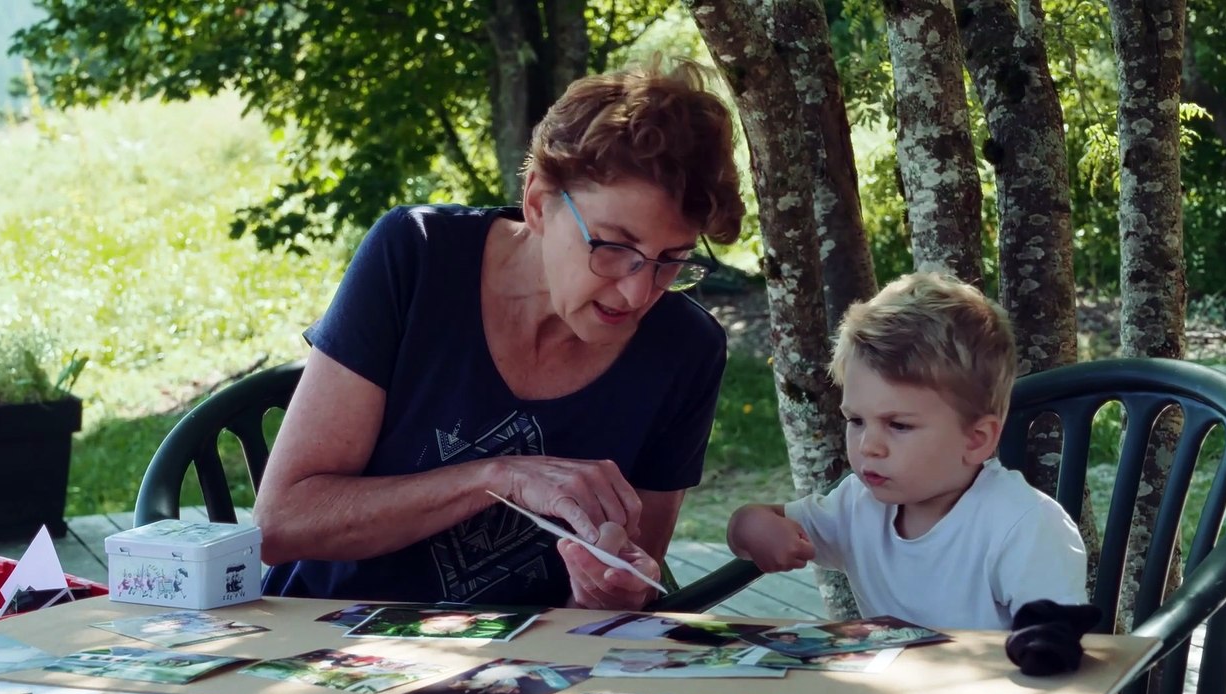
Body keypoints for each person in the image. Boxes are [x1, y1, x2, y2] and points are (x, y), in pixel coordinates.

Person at [254, 57, 745, 612]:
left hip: (525, 671)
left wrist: (606, 591)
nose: (638, 294)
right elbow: (281, 524)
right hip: (328, 639)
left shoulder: (685, 349)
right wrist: (499, 476)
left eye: (670, 260)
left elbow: (624, 586)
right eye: (613, 246)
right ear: (537, 201)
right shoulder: (416, 257)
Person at [726, 272, 1088, 631]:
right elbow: (749, 527)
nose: (869, 446)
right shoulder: (857, 505)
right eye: (856, 421)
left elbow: (1059, 650)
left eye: (898, 425)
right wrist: (753, 526)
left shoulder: (1023, 525)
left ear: (976, 439)